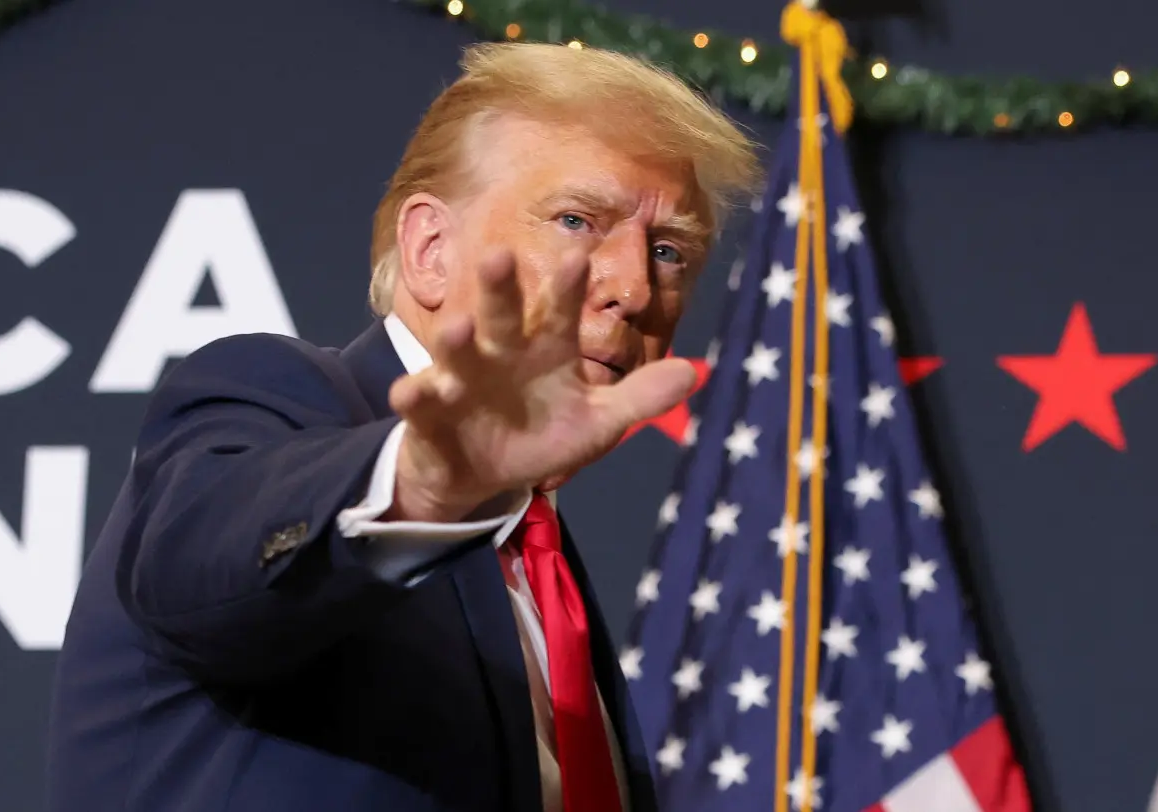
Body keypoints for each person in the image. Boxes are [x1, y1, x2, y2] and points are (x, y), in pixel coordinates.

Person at [45, 42, 760, 812]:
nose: (632, 285)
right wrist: (423, 484)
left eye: (668, 251)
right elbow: (201, 568)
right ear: (430, 251)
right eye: (577, 219)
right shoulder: (273, 398)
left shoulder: (539, 556)